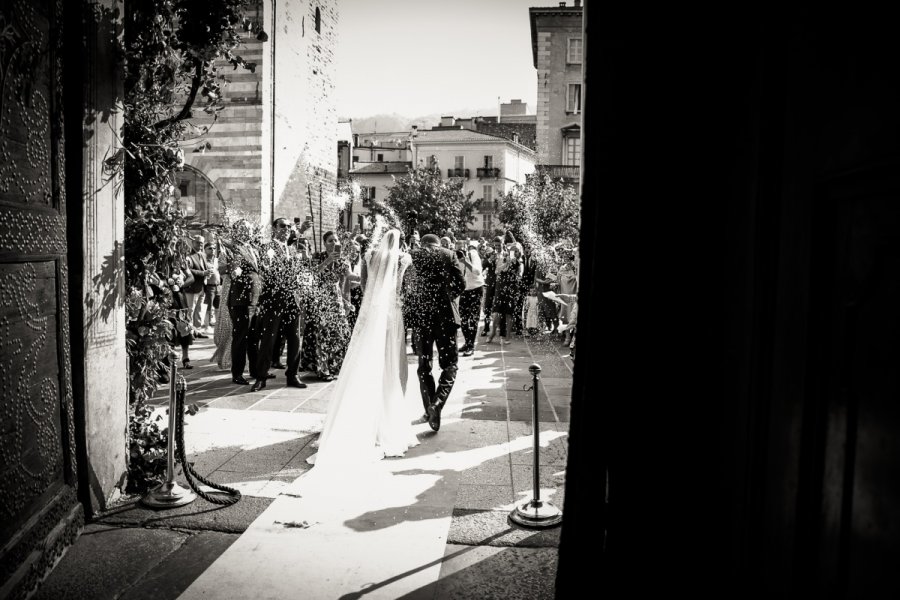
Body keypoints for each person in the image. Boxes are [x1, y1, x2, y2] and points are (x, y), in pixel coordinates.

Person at [304, 229, 419, 470]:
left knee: (364, 360)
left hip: (371, 313)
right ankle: (384, 420)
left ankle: (355, 418)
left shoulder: (368, 257)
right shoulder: (403, 258)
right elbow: (403, 289)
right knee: (390, 363)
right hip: (391, 313)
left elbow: (366, 287)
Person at [405, 233, 466, 431]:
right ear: (438, 244)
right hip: (445, 316)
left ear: (422, 244)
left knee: (424, 366)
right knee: (450, 365)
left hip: (422, 317)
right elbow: (461, 284)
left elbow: (408, 285)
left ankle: (429, 409)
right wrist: (448, 296)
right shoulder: (449, 254)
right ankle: (437, 404)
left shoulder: (414, 255)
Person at [250, 218, 308, 391]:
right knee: (269, 339)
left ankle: (293, 375)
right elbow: (266, 270)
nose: (287, 229)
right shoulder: (266, 247)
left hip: (292, 299)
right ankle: (261, 377)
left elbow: (300, 273)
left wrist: (302, 263)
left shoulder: (293, 249)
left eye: (289, 226)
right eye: (283, 226)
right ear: (274, 228)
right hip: (273, 299)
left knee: (295, 339)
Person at [226, 220, 263, 385]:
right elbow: (234, 272)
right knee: (241, 337)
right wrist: (236, 266)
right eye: (242, 229)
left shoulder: (253, 248)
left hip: (254, 299)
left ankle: (255, 370)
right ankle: (237, 373)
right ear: (236, 231)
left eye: (248, 228)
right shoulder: (233, 249)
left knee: (254, 337)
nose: (246, 231)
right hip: (240, 299)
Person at [487, 231, 523, 345]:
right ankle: (492, 333)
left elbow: (520, 274)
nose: (514, 253)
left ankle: (507, 337)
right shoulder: (504, 259)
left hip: (512, 288)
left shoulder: (519, 263)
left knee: (509, 313)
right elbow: (497, 271)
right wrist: (506, 264)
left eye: (516, 251)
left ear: (519, 253)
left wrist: (517, 272)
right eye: (513, 251)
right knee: (496, 312)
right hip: (500, 287)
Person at [184, 234, 213, 338]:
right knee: (190, 311)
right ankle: (189, 333)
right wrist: (203, 273)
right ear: (192, 243)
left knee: (199, 311)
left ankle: (197, 331)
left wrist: (208, 273)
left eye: (201, 243)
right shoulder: (188, 255)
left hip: (201, 287)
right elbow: (187, 270)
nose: (200, 244)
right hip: (192, 287)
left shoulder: (202, 254)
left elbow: (203, 268)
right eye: (197, 242)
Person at [458, 239, 484, 356]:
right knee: (463, 319)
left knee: (473, 319)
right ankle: (467, 342)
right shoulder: (456, 255)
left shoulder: (473, 255)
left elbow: (478, 272)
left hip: (475, 289)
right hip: (464, 290)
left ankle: (471, 346)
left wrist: (466, 261)